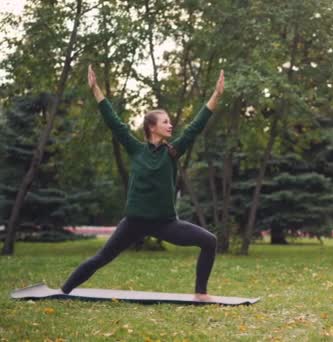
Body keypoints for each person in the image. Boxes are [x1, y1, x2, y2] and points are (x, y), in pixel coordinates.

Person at [60, 65, 224, 301]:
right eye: (165, 122)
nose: (170, 125)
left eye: (169, 122)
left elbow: (195, 127)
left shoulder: (172, 152)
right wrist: (95, 89)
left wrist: (216, 96)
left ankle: (200, 293)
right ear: (151, 127)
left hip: (165, 223)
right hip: (134, 223)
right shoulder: (136, 150)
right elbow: (115, 123)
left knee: (209, 241)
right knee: (101, 258)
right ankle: (63, 291)